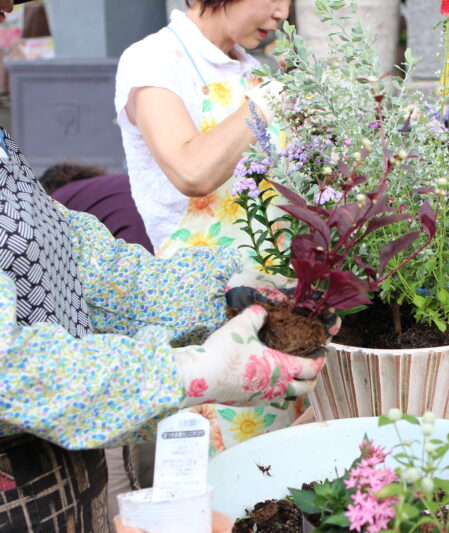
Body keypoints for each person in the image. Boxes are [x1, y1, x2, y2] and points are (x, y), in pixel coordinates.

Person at [0, 5, 325, 533]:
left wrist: (225, 289)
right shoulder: (154, 60)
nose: (282, 11)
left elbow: (84, 263)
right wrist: (189, 371)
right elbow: (5, 366)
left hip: (68, 486)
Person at [114, 0, 301, 458]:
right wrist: (264, 104)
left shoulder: (255, 68)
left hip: (276, 314)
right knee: (219, 492)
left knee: (283, 484)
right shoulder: (154, 59)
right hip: (203, 319)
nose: (282, 12)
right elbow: (191, 171)